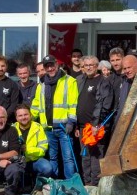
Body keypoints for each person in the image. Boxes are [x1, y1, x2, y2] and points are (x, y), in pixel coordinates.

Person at [31, 55, 79, 180]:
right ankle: (54, 183)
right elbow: (36, 104)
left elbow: (73, 104)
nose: (50, 68)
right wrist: (29, 119)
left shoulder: (69, 81)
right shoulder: (41, 84)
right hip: (48, 129)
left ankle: (70, 184)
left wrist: (71, 122)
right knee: (53, 158)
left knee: (68, 158)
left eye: (52, 65)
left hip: (64, 128)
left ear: (57, 65)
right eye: (47, 66)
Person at [75, 55, 116, 186]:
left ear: (97, 66)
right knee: (85, 156)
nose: (88, 68)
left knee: (96, 157)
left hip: (96, 127)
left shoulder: (103, 82)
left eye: (91, 65)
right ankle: (87, 183)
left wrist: (96, 124)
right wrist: (77, 126)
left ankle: (95, 185)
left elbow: (105, 105)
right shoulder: (82, 81)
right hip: (82, 128)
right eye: (86, 65)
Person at [13, 104, 53, 193]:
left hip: (34, 160)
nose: (23, 117)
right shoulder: (12, 129)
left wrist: (27, 150)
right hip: (18, 162)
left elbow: (43, 149)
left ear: (30, 115)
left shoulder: (38, 127)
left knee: (47, 168)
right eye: (20, 115)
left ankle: (37, 184)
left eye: (26, 114)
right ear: (16, 118)